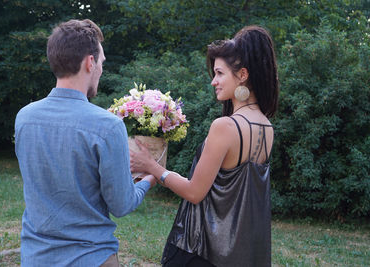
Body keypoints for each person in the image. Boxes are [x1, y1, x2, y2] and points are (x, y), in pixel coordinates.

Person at [130, 25, 279, 267]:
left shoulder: (225, 126)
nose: (214, 81)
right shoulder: (266, 126)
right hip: (238, 254)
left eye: (219, 73)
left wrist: (152, 167)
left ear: (242, 75)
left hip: (201, 250)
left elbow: (194, 192)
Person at [15, 19, 155, 267]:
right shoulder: (108, 126)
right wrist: (149, 179)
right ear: (90, 62)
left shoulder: (24, 118)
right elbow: (121, 205)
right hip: (92, 258)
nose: (101, 69)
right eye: (101, 62)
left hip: (36, 257)